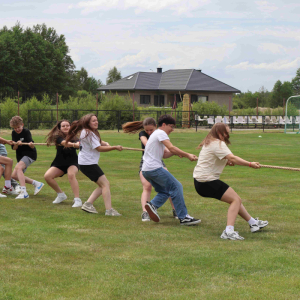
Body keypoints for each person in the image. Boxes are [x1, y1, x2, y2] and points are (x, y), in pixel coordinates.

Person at [193, 123, 268, 240]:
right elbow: (232, 157)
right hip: (207, 181)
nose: (228, 135)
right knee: (236, 200)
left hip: (200, 182)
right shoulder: (217, 143)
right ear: (219, 133)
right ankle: (228, 231)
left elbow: (216, 158)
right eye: (226, 132)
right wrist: (249, 164)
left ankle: (253, 223)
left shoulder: (209, 142)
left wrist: (226, 162)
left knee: (236, 200)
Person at [141, 114, 201, 225]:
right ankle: (183, 217)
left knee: (165, 191)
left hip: (146, 170)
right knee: (177, 186)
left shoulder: (156, 134)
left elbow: (165, 154)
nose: (172, 129)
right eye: (171, 126)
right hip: (154, 168)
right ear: (164, 125)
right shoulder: (161, 133)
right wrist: (187, 155)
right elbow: (172, 147)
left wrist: (175, 154)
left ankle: (152, 205)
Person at [65, 113, 122, 216]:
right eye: (93, 121)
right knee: (105, 184)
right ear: (88, 123)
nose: (96, 122)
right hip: (88, 164)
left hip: (85, 163)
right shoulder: (88, 133)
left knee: (103, 185)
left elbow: (97, 142)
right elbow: (98, 148)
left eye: (96, 120)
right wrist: (114, 147)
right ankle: (109, 210)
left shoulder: (86, 132)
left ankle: (88, 204)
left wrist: (104, 142)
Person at [122, 118, 178, 222]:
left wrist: (175, 151)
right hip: (146, 163)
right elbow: (146, 143)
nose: (149, 132)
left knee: (170, 184)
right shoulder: (143, 134)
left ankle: (176, 210)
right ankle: (145, 212)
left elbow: (166, 151)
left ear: (156, 126)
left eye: (151, 130)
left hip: (158, 162)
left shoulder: (159, 133)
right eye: (147, 130)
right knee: (147, 186)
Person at [44, 120, 82, 207]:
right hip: (59, 162)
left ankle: (77, 200)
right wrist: (74, 145)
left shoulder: (74, 137)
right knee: (47, 176)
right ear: (60, 128)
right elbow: (64, 143)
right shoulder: (57, 137)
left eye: (67, 125)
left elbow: (79, 142)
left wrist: (78, 143)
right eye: (63, 126)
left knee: (71, 174)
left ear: (70, 127)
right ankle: (61, 195)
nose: (66, 127)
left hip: (73, 162)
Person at [10, 116, 44, 199]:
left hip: (30, 154)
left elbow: (32, 145)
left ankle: (24, 192)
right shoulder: (13, 133)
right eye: (15, 128)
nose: (17, 129)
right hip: (20, 156)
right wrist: (17, 144)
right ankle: (37, 184)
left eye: (18, 127)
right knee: (14, 176)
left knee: (18, 168)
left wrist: (31, 144)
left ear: (22, 125)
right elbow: (14, 148)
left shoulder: (26, 132)